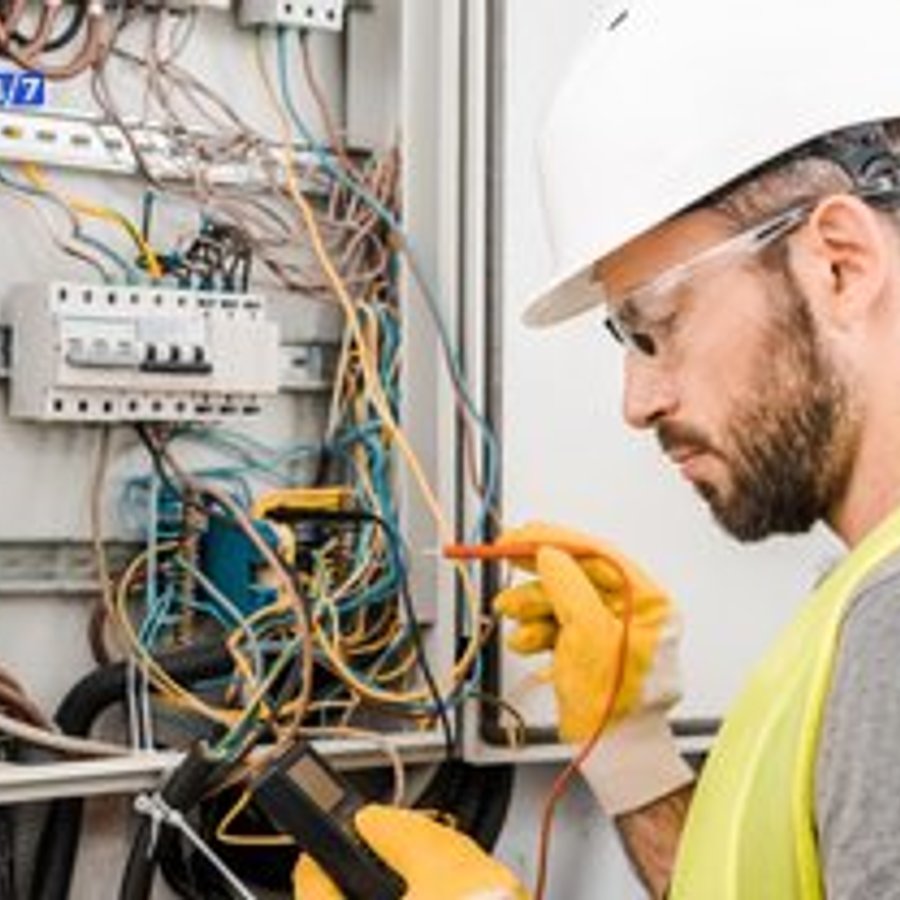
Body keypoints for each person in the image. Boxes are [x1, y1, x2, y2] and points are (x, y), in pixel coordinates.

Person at [296, 0, 900, 896]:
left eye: (657, 326)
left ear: (839, 264)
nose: (637, 402)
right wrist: (630, 753)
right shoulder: (861, 594)